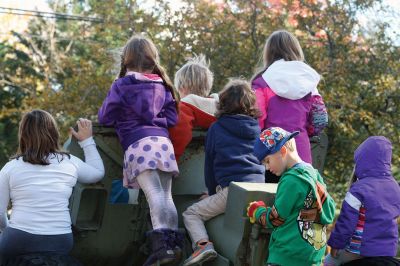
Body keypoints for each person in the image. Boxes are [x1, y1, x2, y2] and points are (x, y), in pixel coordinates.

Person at [98, 34, 182, 265]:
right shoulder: (162, 85)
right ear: (151, 58)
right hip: (163, 144)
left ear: (126, 60)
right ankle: (174, 245)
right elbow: (173, 118)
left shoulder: (122, 85)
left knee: (154, 193)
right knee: (166, 195)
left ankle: (162, 248)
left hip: (138, 144)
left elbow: (104, 116)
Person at [0, 110, 104, 262]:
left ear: (23, 135)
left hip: (19, 239)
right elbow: (98, 173)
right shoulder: (70, 162)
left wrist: (7, 230)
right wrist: (87, 141)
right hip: (60, 240)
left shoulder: (10, 168)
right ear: (53, 132)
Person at [182, 79, 265, 266]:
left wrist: (211, 193)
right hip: (259, 188)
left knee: (191, 214)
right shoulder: (256, 128)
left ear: (222, 104)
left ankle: (203, 246)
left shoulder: (216, 128)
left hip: (232, 191)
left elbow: (210, 167)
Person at [247, 127, 335, 266]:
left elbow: (275, 219)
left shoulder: (290, 181)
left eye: (267, 161)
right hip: (312, 257)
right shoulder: (313, 174)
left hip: (287, 257)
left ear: (282, 151)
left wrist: (258, 212)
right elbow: (328, 210)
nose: (267, 168)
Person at [251, 30, 328, 183]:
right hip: (301, 155)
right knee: (298, 203)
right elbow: (320, 119)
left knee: (270, 203)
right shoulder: (308, 81)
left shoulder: (262, 81)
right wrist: (306, 132)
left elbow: (256, 119)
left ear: (269, 53)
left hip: (270, 157)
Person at [325, 136, 400, 266]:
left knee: (328, 261)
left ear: (362, 161)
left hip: (359, 250)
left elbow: (346, 222)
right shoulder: (395, 187)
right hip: (388, 250)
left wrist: (335, 244)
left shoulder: (359, 189)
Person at [169, 54, 218, 161]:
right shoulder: (223, 108)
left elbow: (181, 133)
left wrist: (171, 159)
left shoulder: (184, 108)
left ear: (181, 87)